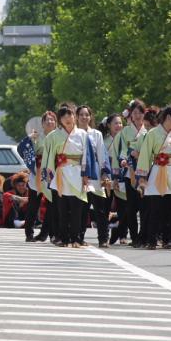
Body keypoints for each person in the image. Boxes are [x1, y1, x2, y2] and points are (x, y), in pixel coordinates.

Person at [136, 104, 171, 251]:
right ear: (168, 117)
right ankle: (152, 240)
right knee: (155, 209)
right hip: (158, 172)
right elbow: (145, 155)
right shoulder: (153, 133)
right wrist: (142, 177)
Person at [41, 104, 96, 247]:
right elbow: (49, 155)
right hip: (61, 173)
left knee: (78, 208)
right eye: (64, 116)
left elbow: (87, 156)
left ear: (74, 117)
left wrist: (85, 175)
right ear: (60, 120)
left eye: (70, 115)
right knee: (62, 208)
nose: (67, 118)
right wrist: (49, 172)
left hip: (77, 172)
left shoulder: (83, 135)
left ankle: (76, 238)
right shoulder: (54, 136)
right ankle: (63, 238)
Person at [77, 105, 111, 247]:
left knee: (100, 208)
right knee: (82, 207)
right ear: (77, 117)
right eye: (81, 115)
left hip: (95, 173)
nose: (84, 117)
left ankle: (103, 238)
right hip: (79, 173)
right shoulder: (74, 134)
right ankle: (79, 237)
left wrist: (104, 172)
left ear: (90, 117)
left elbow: (102, 154)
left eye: (87, 115)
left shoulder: (96, 134)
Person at [24, 110, 57, 242]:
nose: (49, 122)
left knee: (52, 205)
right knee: (33, 205)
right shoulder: (37, 137)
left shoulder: (59, 137)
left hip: (53, 173)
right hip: (38, 173)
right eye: (46, 120)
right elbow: (26, 151)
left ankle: (46, 233)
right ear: (42, 124)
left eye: (52, 120)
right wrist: (30, 138)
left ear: (55, 123)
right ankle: (29, 233)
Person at [120, 100, 148, 247]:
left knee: (144, 205)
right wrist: (126, 157)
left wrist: (142, 154)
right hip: (130, 172)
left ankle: (144, 236)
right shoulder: (125, 131)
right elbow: (123, 149)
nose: (137, 116)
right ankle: (134, 237)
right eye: (134, 113)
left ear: (144, 114)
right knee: (131, 206)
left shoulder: (148, 131)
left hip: (144, 172)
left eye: (140, 113)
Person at [105, 113, 128, 244]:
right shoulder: (104, 140)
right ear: (109, 125)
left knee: (123, 207)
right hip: (107, 175)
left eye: (120, 123)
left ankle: (122, 234)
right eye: (115, 123)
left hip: (121, 174)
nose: (118, 126)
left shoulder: (124, 139)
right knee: (106, 205)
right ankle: (106, 233)